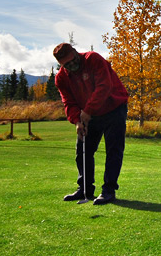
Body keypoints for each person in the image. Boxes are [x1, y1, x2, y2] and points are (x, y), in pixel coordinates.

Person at [53, 43, 129, 205]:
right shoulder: (61, 78)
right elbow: (69, 102)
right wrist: (77, 121)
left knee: (113, 149)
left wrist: (87, 111)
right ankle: (85, 189)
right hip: (91, 114)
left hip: (114, 107)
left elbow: (104, 87)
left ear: (75, 52)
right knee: (82, 150)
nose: (71, 65)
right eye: (66, 64)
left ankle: (108, 190)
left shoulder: (92, 59)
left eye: (72, 60)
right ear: (61, 65)